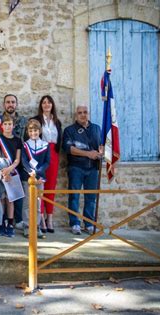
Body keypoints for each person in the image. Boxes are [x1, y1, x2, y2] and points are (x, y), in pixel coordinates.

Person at [62, 105, 102, 235]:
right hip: (76, 167)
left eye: (85, 112)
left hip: (93, 168)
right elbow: (70, 149)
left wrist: (101, 152)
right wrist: (88, 154)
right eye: (80, 113)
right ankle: (75, 223)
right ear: (76, 115)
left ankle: (89, 224)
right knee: (74, 196)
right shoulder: (69, 130)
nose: (83, 115)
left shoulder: (96, 128)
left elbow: (102, 145)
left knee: (91, 197)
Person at [0, 94, 27, 227]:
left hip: (18, 164)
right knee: (3, 196)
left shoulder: (23, 121)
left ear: (16, 104)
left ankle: (18, 221)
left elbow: (26, 141)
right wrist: (1, 167)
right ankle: (4, 221)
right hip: (2, 166)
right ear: (4, 104)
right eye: (8, 102)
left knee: (17, 193)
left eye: (13, 102)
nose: (10, 104)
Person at [29, 95, 62, 233]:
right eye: (44, 102)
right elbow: (30, 137)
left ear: (52, 105)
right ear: (41, 105)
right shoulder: (36, 120)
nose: (47, 104)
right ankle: (40, 218)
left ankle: (50, 218)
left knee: (51, 186)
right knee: (40, 185)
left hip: (53, 154)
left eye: (49, 102)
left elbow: (59, 140)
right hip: (40, 153)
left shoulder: (57, 122)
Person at [0, 113, 22, 238]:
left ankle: (10, 223)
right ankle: (2, 222)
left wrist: (9, 170)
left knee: (10, 199)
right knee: (1, 198)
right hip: (0, 173)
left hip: (12, 173)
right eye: (5, 124)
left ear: (13, 126)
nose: (8, 126)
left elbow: (17, 160)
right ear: (2, 126)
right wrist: (2, 171)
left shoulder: (18, 140)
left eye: (10, 124)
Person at [21, 119, 50, 239]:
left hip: (39, 178)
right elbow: (24, 161)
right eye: (31, 131)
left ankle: (36, 227)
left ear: (40, 131)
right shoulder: (25, 145)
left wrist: (38, 173)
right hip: (28, 178)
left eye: (36, 130)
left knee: (38, 204)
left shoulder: (45, 145)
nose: (34, 133)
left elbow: (47, 162)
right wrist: (30, 172)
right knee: (27, 203)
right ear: (28, 132)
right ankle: (27, 227)